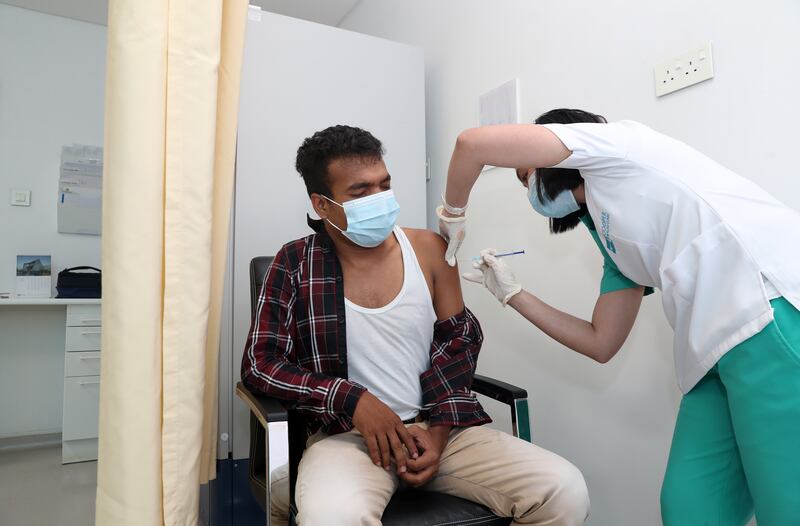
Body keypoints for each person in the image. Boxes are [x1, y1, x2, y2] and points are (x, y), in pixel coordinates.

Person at [438, 108, 800, 526]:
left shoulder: (617, 147)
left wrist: (452, 213)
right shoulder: (611, 239)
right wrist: (513, 294)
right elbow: (601, 342)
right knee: (690, 509)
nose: (530, 190)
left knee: (786, 506)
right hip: (711, 355)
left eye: (527, 175)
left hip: (767, 312)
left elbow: (472, 145)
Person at [241, 125, 590, 526]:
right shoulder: (294, 263)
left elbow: (458, 344)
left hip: (440, 430)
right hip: (348, 439)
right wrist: (354, 400)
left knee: (563, 491)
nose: (379, 199)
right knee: (331, 518)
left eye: (384, 185)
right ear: (322, 205)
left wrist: (439, 432)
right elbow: (261, 365)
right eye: (360, 192)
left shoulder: (429, 249)